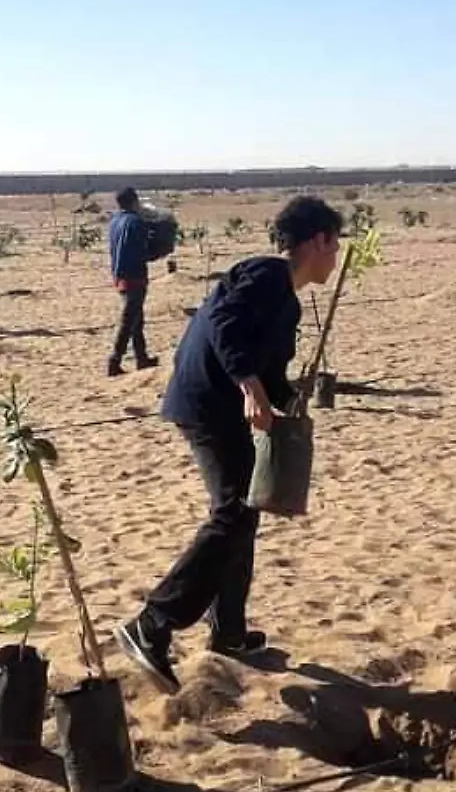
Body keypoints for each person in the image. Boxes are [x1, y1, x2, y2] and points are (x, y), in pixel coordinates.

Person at [115, 194, 343, 695]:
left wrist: (287, 398)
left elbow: (269, 368)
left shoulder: (288, 302)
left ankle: (230, 632)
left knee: (246, 508)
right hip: (206, 403)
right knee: (234, 513)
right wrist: (250, 386)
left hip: (228, 405)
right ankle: (151, 624)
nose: (336, 256)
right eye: (335, 244)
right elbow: (224, 326)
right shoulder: (266, 274)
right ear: (317, 240)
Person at [106, 187, 161, 376]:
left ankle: (141, 358)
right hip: (134, 275)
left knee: (136, 317)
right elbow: (145, 250)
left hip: (118, 274)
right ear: (134, 201)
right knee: (129, 319)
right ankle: (115, 360)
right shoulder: (136, 222)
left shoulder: (115, 220)